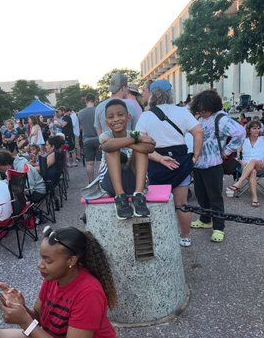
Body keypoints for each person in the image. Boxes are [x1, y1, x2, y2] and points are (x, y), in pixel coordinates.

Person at [0, 225, 125, 338]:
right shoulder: (54, 277)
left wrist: (25, 322)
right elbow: (38, 319)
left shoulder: (89, 292)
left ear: (71, 260)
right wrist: (21, 308)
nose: (40, 264)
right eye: (41, 257)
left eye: (48, 260)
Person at [135, 79, 204, 247]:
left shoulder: (146, 116)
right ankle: (185, 236)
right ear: (170, 93)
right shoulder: (182, 112)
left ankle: (161, 237)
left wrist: (157, 157)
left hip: (156, 160)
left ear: (152, 94)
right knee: (182, 204)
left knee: (157, 203)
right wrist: (195, 155)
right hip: (180, 160)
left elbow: (138, 141)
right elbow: (198, 131)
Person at [84, 99, 155, 219]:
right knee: (112, 150)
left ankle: (138, 195)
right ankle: (120, 197)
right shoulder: (106, 136)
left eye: (120, 115)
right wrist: (135, 140)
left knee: (141, 151)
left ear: (128, 117)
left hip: (133, 180)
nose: (116, 119)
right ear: (106, 122)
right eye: (111, 117)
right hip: (110, 183)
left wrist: (131, 142)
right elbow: (107, 146)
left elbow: (150, 147)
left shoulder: (133, 133)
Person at [189, 90, 245, 243]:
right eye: (198, 109)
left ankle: (219, 227)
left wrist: (227, 150)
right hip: (198, 164)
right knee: (201, 194)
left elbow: (240, 132)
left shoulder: (220, 118)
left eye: (203, 109)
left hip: (213, 164)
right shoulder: (201, 118)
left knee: (214, 197)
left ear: (211, 106)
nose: (200, 111)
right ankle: (205, 220)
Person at [227, 121, 264, 205]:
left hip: (261, 165)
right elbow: (236, 155)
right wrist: (241, 161)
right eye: (254, 128)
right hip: (247, 167)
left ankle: (239, 182)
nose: (257, 130)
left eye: (258, 128)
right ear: (249, 130)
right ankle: (255, 199)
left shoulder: (263, 139)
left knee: (253, 161)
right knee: (253, 171)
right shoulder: (243, 141)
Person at [78, 93, 102, 183]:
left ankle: (91, 183)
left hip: (87, 139)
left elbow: (80, 128)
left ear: (86, 100)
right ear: (94, 100)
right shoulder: (98, 110)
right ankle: (101, 182)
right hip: (99, 138)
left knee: (89, 163)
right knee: (100, 162)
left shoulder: (80, 113)